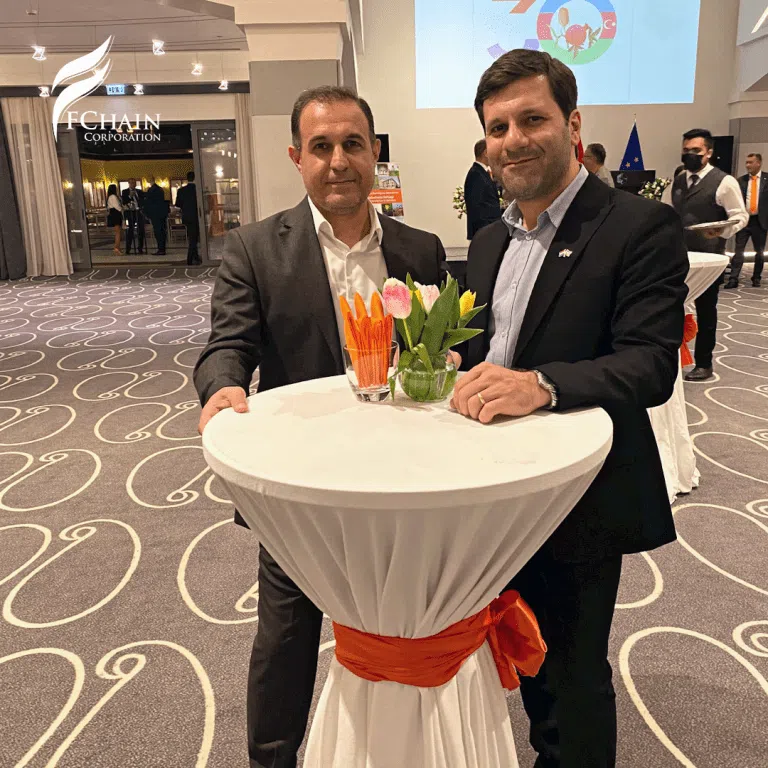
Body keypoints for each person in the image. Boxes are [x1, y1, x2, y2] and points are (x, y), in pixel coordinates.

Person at [193, 85, 448, 768]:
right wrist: (221, 386)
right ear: (297, 158)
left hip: (405, 475)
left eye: (353, 144)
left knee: (413, 620)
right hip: (302, 483)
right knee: (286, 636)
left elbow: (447, 349)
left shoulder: (421, 250)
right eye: (322, 146)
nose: (339, 161)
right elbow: (227, 345)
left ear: (375, 153)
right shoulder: (255, 249)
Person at [452, 49, 688, 768]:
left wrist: (541, 384)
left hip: (578, 495)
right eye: (498, 128)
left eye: (532, 120)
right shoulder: (489, 241)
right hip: (490, 493)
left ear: (573, 124)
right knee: (515, 654)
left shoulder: (638, 226)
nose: (513, 140)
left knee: (572, 674)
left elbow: (650, 364)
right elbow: (487, 347)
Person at [663, 128, 748, 381]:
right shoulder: (678, 179)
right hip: (677, 256)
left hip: (709, 258)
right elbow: (666, 211)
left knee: (706, 310)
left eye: (696, 150)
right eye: (686, 150)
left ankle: (704, 363)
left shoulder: (724, 182)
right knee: (669, 307)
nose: (689, 154)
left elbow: (740, 216)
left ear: (708, 152)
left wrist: (722, 230)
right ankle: (668, 359)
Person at [727, 153, 766, 289]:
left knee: (759, 252)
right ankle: (733, 278)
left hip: (760, 221)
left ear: (758, 163)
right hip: (745, 220)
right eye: (746, 162)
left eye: (750, 162)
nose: (747, 165)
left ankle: (756, 277)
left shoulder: (766, 179)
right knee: (739, 250)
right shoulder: (741, 181)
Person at [464, 138, 503, 239]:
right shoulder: (476, 175)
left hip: (489, 230)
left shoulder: (481, 173)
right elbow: (478, 207)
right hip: (484, 232)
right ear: (486, 153)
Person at [174, 171, 201, 265]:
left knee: (192, 236)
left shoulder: (181, 190)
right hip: (196, 216)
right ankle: (190, 259)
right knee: (194, 239)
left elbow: (177, 204)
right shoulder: (198, 189)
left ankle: (195, 256)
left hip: (186, 216)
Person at [142, 177, 169, 256]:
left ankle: (160, 249)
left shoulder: (151, 190)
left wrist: (145, 212)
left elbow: (148, 202)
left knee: (158, 232)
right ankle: (162, 248)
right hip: (162, 214)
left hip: (155, 214)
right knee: (162, 231)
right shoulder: (160, 189)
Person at [121, 178, 145, 255]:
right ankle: (128, 248)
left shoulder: (139, 191)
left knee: (141, 230)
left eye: (134, 183)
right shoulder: (125, 191)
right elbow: (124, 201)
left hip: (139, 212)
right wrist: (129, 196)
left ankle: (140, 248)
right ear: (129, 183)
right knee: (130, 230)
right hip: (131, 213)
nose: (133, 184)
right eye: (131, 183)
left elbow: (143, 200)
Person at [106, 184, 123, 255]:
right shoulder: (113, 196)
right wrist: (122, 209)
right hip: (115, 214)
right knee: (118, 232)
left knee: (118, 232)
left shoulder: (111, 197)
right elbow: (117, 206)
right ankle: (117, 248)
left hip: (114, 214)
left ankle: (117, 247)